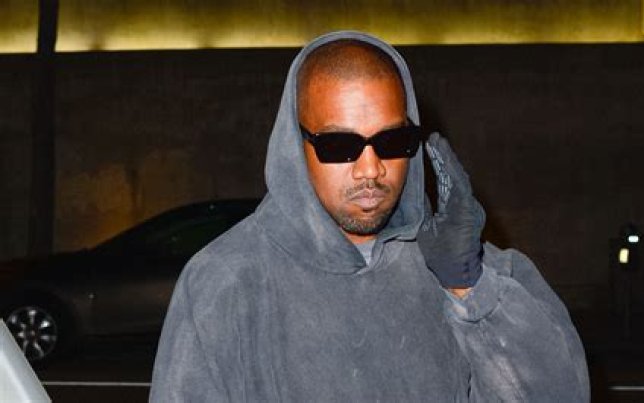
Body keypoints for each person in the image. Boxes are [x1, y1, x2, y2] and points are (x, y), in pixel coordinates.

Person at [150, 31, 589, 402]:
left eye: (391, 141)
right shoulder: (225, 282)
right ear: (295, 147)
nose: (371, 169)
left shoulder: (465, 267)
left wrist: (470, 288)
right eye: (339, 146)